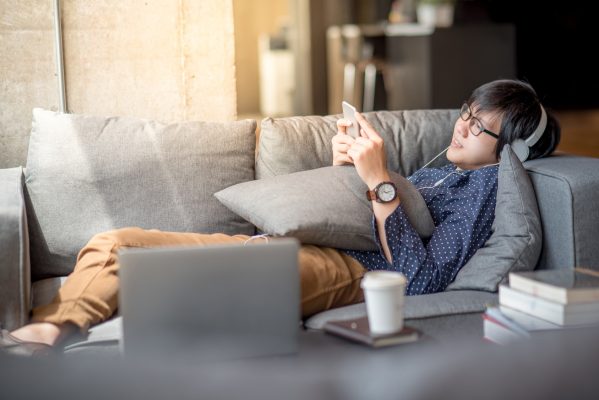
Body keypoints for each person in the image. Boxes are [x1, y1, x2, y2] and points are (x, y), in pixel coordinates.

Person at [0, 79, 560, 355]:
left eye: (477, 126)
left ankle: (50, 335)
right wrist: (348, 172)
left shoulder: (489, 186)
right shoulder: (443, 172)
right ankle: (57, 324)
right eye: (465, 114)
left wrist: (379, 181)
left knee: (167, 277)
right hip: (301, 245)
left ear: (511, 148)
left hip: (348, 271)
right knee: (114, 241)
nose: (461, 127)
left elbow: (424, 279)